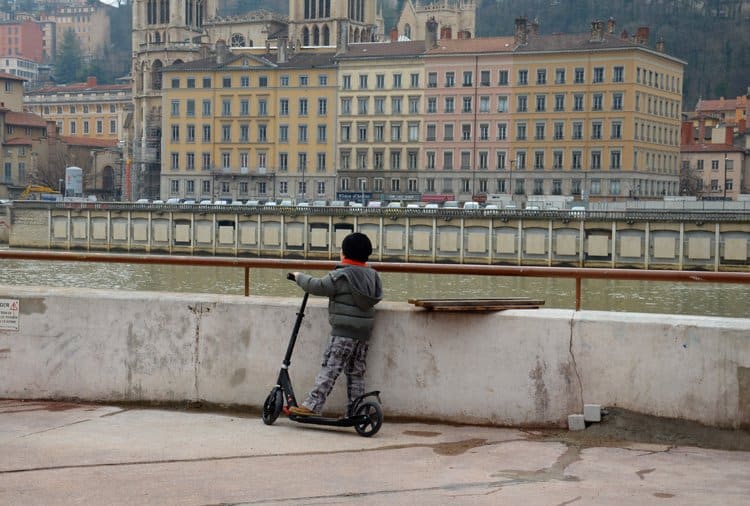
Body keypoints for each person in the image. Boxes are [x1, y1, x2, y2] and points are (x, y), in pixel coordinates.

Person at [288, 232, 383, 416]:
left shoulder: (341, 275)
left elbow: (317, 286)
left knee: (330, 369)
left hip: (343, 333)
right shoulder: (372, 276)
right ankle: (356, 410)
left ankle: (312, 405)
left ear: (345, 254)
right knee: (356, 373)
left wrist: (299, 276)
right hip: (363, 333)